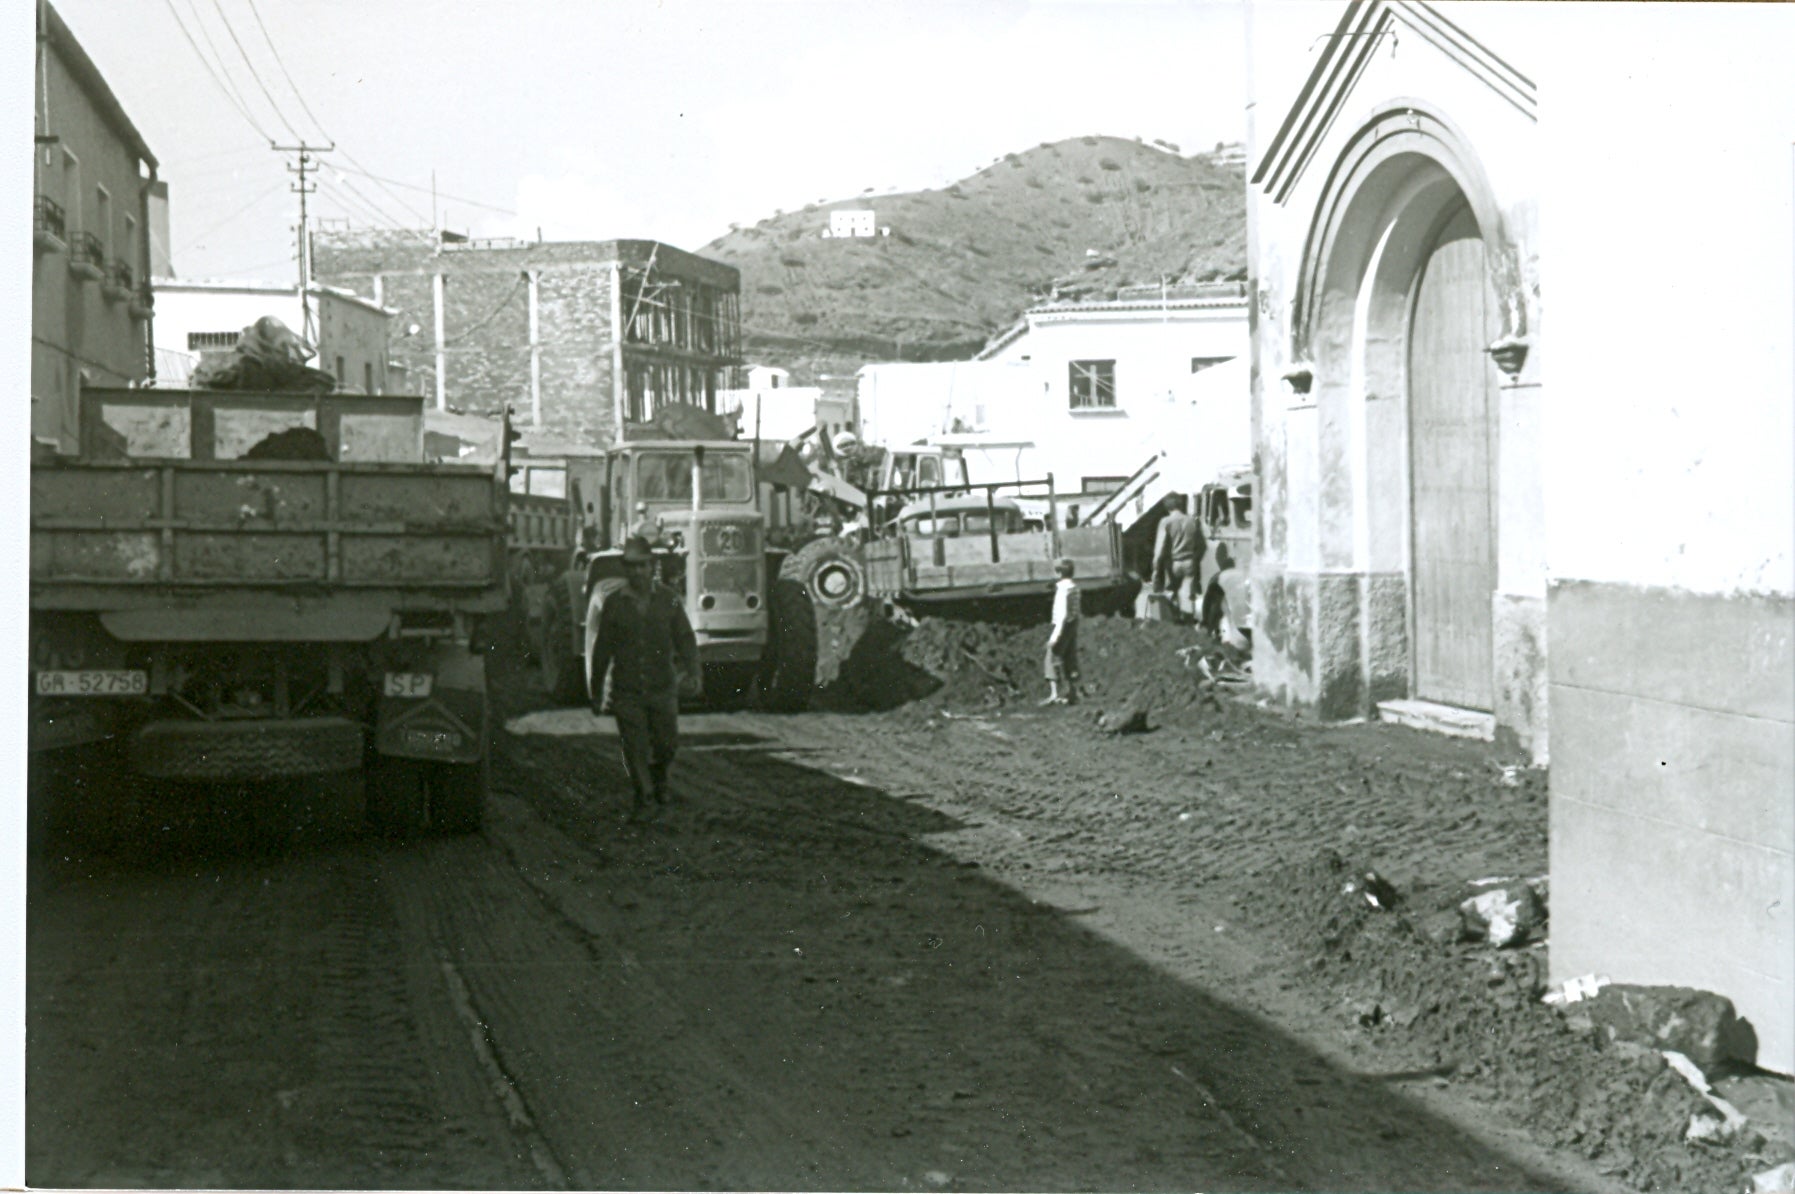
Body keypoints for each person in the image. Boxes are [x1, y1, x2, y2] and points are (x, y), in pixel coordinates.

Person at [586, 536, 700, 821]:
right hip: (628, 692)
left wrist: (694, 672)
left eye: (643, 566)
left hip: (662, 688)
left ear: (652, 566)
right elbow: (602, 651)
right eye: (632, 567)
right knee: (634, 747)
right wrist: (596, 689)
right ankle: (644, 799)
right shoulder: (614, 604)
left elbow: (685, 639)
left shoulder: (668, 601)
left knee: (667, 744)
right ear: (626, 569)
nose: (638, 572)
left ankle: (659, 780)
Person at [1152, 493, 1206, 621]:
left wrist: (1155, 572)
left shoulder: (1165, 522)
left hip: (1173, 563)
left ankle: (1175, 622)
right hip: (1189, 562)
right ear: (1180, 504)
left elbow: (1159, 550)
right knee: (1187, 595)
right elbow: (1202, 546)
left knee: (1170, 592)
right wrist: (1195, 559)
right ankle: (1189, 623)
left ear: (1166, 506)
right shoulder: (1192, 520)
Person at [1041, 557, 1082, 706]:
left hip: (1063, 626)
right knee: (1070, 657)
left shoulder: (1062, 590)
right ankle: (1072, 692)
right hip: (1073, 624)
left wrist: (1054, 637)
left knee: (1051, 657)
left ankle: (1054, 693)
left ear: (1059, 573)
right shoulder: (1075, 588)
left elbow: (1062, 615)